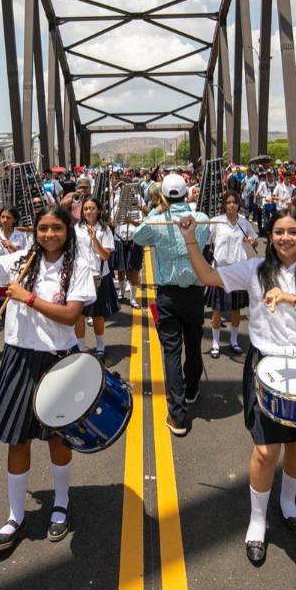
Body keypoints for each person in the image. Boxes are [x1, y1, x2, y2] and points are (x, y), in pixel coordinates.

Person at [176, 208, 296, 566]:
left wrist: (291, 297)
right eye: (279, 231)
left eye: (293, 232)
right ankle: (257, 520)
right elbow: (207, 276)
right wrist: (190, 239)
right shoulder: (254, 269)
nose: (286, 238)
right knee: (266, 452)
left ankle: (288, 502)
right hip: (265, 365)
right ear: (271, 236)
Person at [0, 203, 94, 550]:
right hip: (18, 357)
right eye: (43, 228)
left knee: (58, 438)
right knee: (16, 439)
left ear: (67, 231)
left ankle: (61, 505)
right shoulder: (21, 259)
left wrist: (28, 298)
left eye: (56, 228)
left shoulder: (79, 266)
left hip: (58, 361)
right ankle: (15, 516)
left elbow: (70, 316)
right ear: (34, 231)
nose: (49, 234)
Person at [132, 174, 210, 437]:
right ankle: (192, 389)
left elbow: (138, 237)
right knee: (194, 344)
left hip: (168, 294)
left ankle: (177, 414)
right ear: (186, 193)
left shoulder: (157, 220)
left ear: (164, 196)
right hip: (195, 292)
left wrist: (157, 209)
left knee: (171, 352)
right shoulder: (201, 218)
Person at [204, 191, 257, 358]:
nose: (231, 205)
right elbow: (206, 241)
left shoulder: (244, 222)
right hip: (220, 270)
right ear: (224, 205)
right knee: (217, 309)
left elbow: (255, 241)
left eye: (234, 202)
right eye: (228, 202)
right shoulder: (216, 222)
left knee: (236, 309)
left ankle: (234, 341)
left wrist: (252, 241)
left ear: (239, 204)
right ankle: (215, 343)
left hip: (239, 271)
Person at [75, 197, 117, 359]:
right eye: (85, 209)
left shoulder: (105, 230)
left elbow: (105, 256)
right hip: (80, 276)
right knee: (79, 314)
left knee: (97, 315)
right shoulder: (77, 228)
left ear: (98, 210)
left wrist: (94, 239)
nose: (88, 211)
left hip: (99, 276)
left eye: (92, 208)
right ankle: (80, 347)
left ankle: (100, 346)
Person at [0, 206, 30, 320]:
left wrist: (12, 247)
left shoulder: (22, 235)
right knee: (3, 311)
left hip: (16, 277)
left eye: (8, 218)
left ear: (15, 220)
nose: (4, 220)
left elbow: (26, 257)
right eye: (2, 217)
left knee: (16, 311)